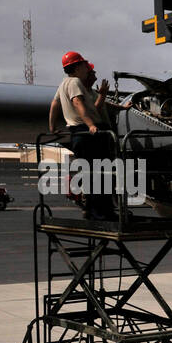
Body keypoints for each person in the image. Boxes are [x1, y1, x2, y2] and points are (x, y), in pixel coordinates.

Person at [53, 50, 115, 220]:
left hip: (80, 133)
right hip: (88, 133)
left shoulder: (63, 84)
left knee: (95, 174)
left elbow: (54, 105)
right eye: (86, 67)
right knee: (101, 175)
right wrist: (91, 125)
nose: (89, 70)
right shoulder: (75, 83)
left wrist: (52, 127)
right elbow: (79, 104)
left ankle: (97, 211)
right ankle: (101, 214)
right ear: (78, 67)